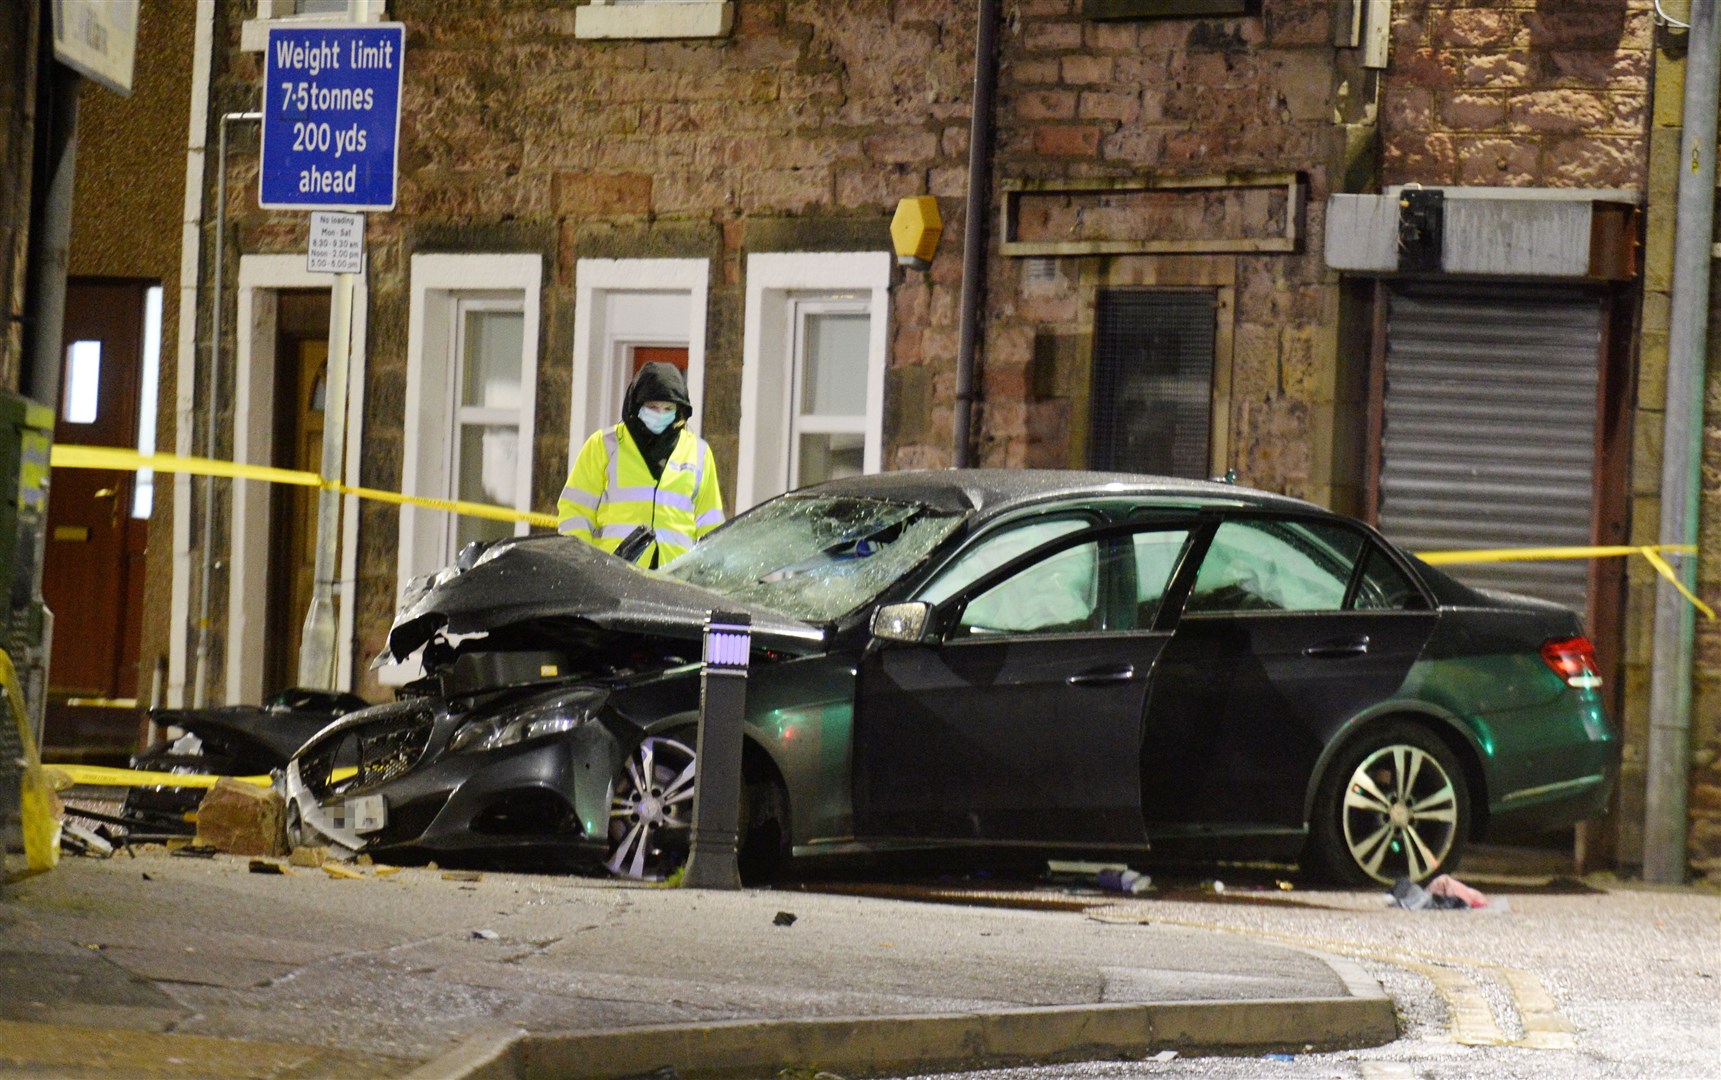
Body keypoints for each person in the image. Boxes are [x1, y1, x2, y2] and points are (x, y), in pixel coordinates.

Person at [558, 361, 724, 568]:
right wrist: (583, 564)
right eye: (652, 407)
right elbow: (575, 511)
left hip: (675, 575)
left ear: (679, 410)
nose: (660, 414)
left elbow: (710, 521)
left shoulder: (698, 452)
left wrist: (708, 570)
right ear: (636, 405)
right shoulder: (604, 445)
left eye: (668, 408)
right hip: (615, 570)